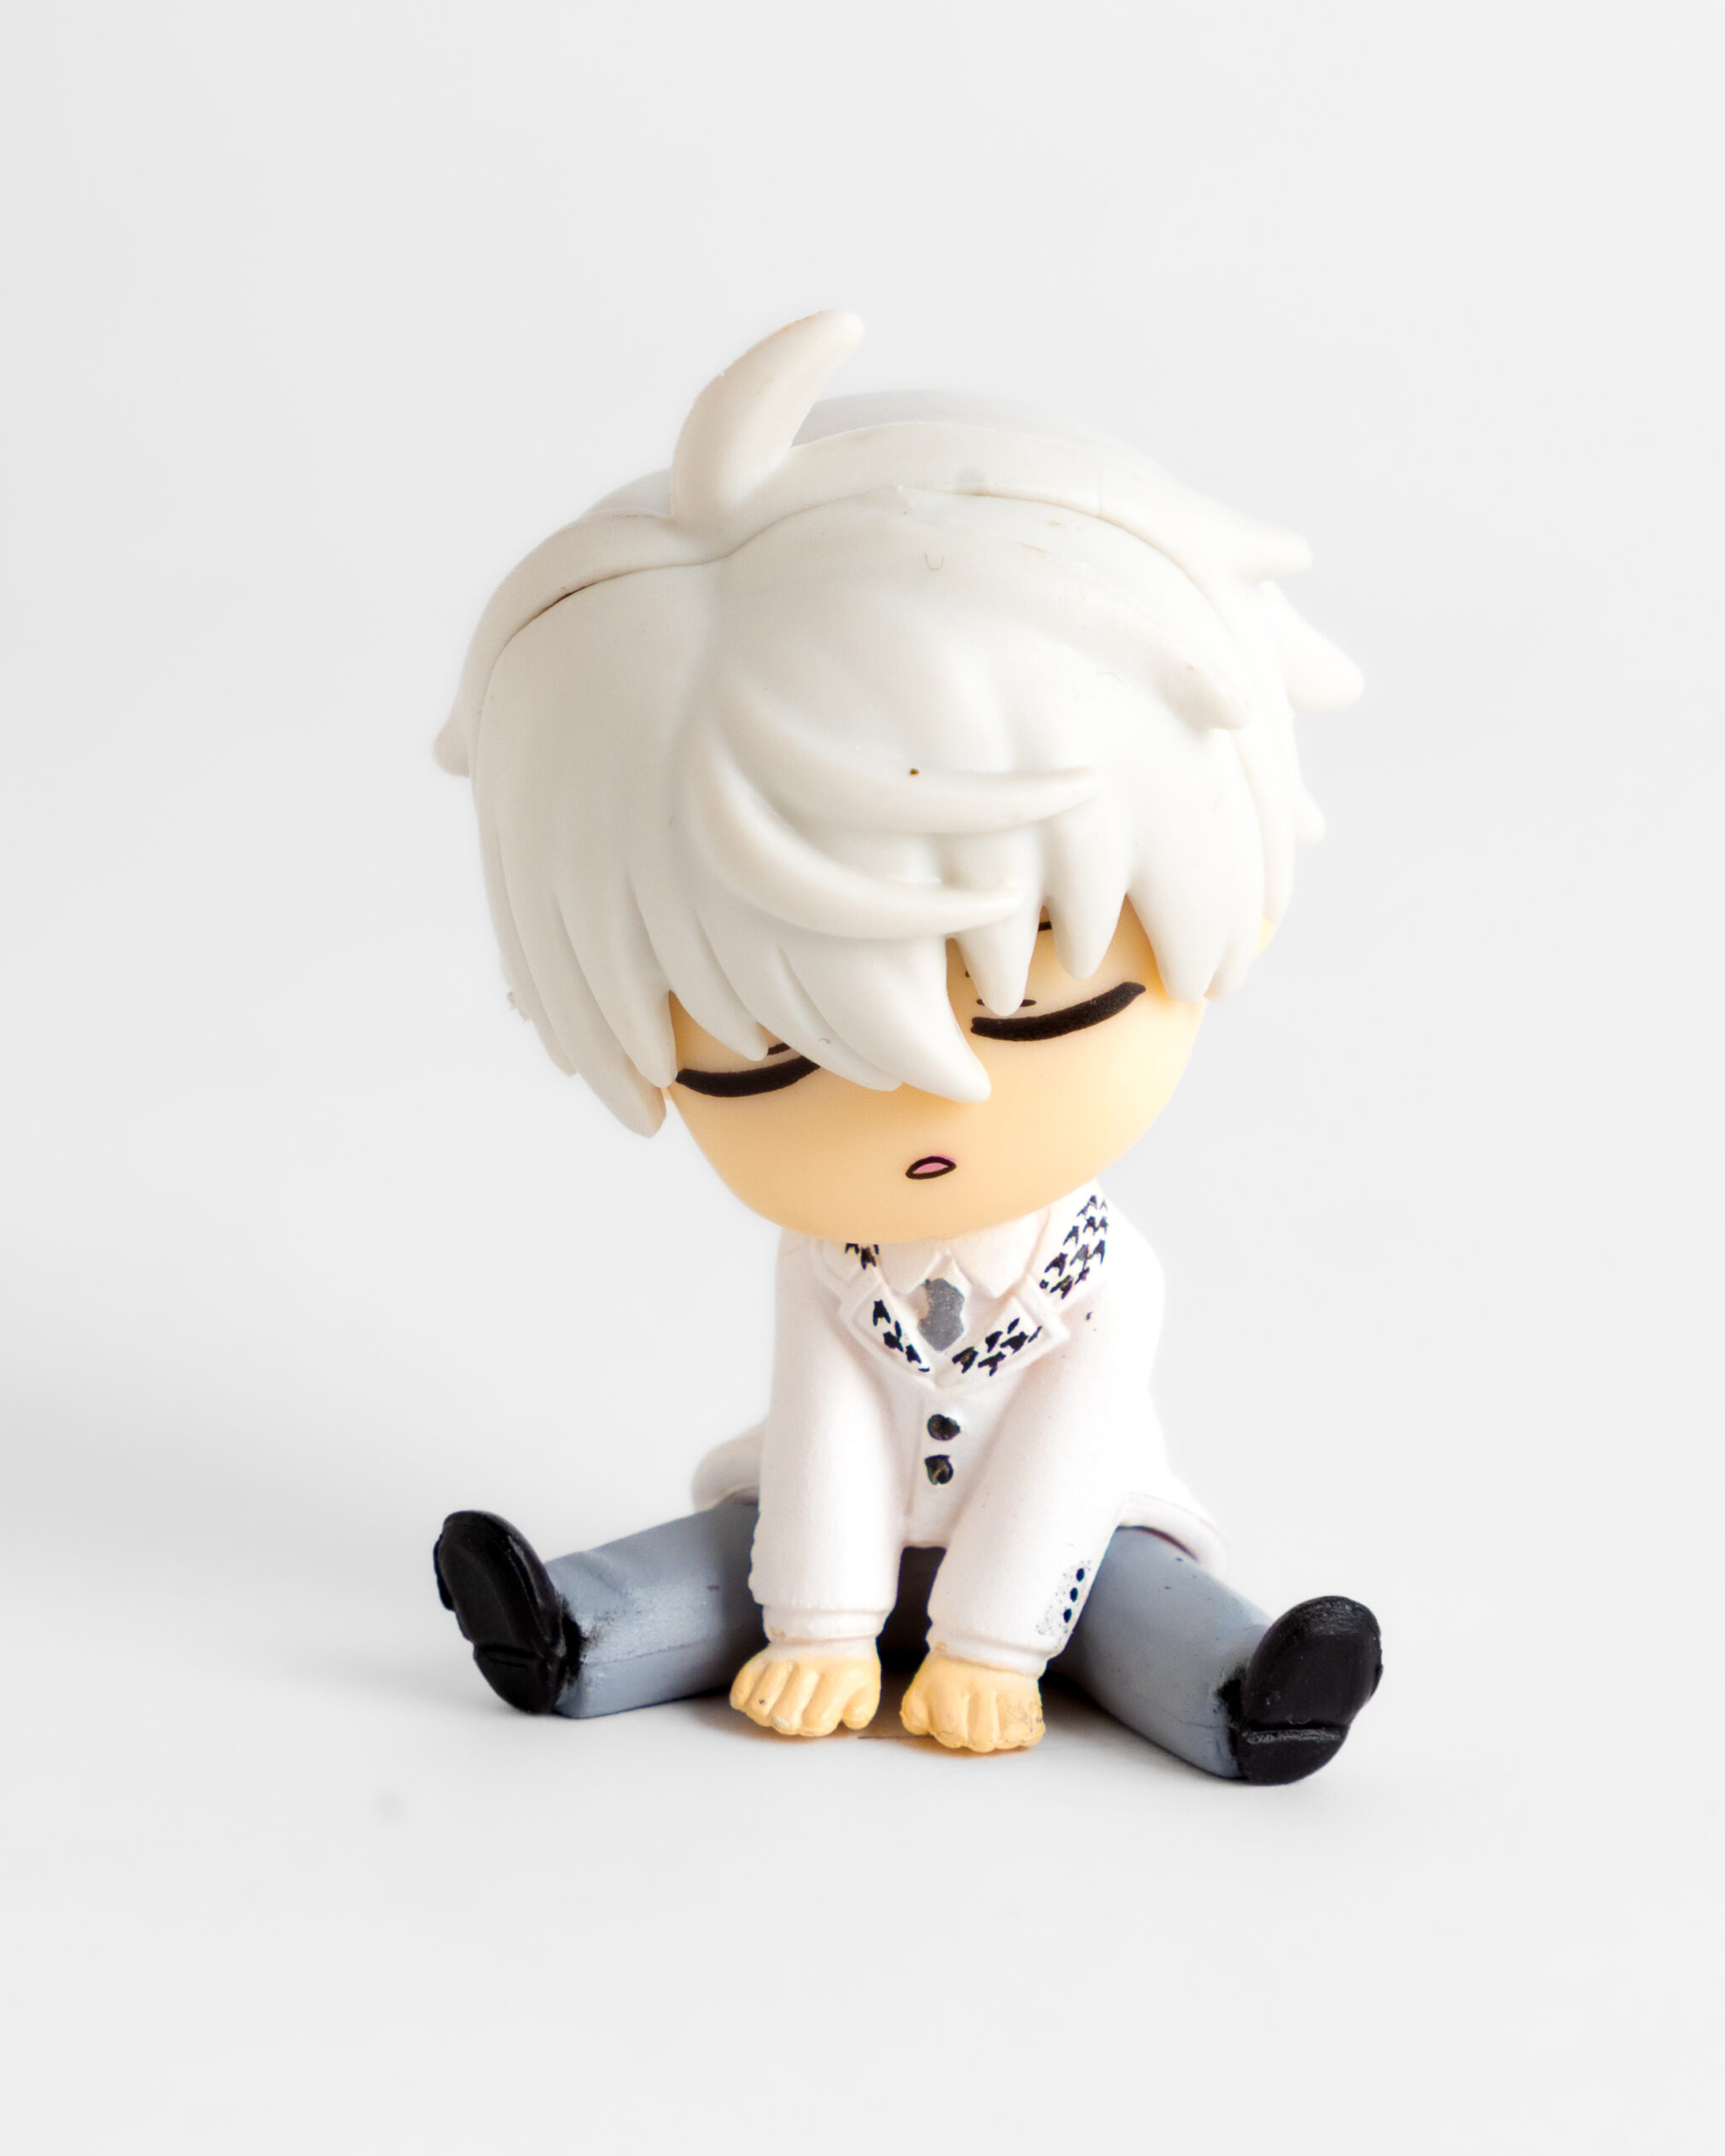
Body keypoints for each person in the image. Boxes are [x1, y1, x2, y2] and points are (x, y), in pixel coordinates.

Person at [431, 311, 1381, 1780]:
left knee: (1140, 1606)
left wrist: (991, 1648)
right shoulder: (827, 1264)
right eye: (767, 1057)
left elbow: (1065, 1456)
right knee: (729, 1565)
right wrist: (820, 1627)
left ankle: (1254, 1694)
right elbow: (822, 1426)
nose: (920, 1098)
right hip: (833, 1533)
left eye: (1038, 1010)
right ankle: (569, 1632)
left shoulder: (1101, 1280)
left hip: (1062, 1558)